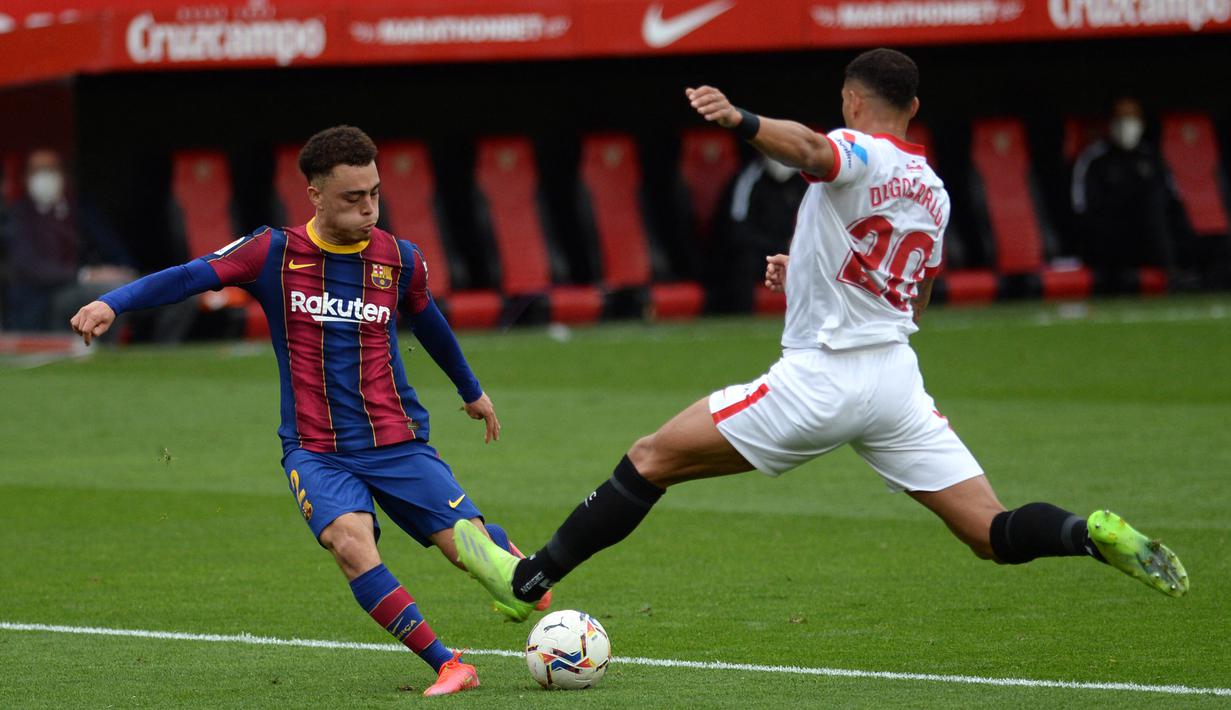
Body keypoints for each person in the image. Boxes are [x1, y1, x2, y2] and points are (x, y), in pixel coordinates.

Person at [453, 49, 1189, 624]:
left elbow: (809, 151)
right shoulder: (932, 186)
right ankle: (1085, 534)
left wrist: (739, 119)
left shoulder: (855, 150)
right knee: (989, 532)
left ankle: (527, 582)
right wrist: (804, 273)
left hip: (822, 380)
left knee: (649, 459)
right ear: (915, 107)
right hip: (895, 384)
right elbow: (911, 292)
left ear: (850, 99)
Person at [69, 126, 548, 696]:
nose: (369, 208)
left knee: (468, 553)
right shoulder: (272, 252)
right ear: (315, 195)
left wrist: (472, 391)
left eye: (374, 193)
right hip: (315, 449)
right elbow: (191, 275)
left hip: (395, 440)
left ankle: (505, 562)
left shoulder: (400, 260)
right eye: (353, 197)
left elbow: (430, 323)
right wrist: (111, 302)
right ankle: (449, 664)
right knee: (349, 544)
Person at [5, 148, 138, 331]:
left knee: (150, 289)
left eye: (51, 169)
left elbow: (111, 245)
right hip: (44, 297)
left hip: (95, 283)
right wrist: (87, 275)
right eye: (38, 171)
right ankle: (102, 349)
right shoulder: (18, 215)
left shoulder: (81, 209)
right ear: (25, 178)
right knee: (110, 291)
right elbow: (30, 267)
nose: (45, 177)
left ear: (63, 174)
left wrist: (122, 269)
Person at [1070, 98, 1191, 293]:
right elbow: (1082, 211)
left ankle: (1174, 273)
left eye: (1131, 118)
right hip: (1110, 245)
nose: (1126, 125)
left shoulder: (1151, 157)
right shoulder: (1094, 160)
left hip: (1150, 241)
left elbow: (1173, 202)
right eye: (1120, 118)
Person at [712, 154, 808, 312]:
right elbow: (737, 229)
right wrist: (779, 245)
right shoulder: (749, 178)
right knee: (742, 263)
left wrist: (797, 244)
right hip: (759, 254)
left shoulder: (805, 181)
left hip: (795, 253)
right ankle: (742, 320)